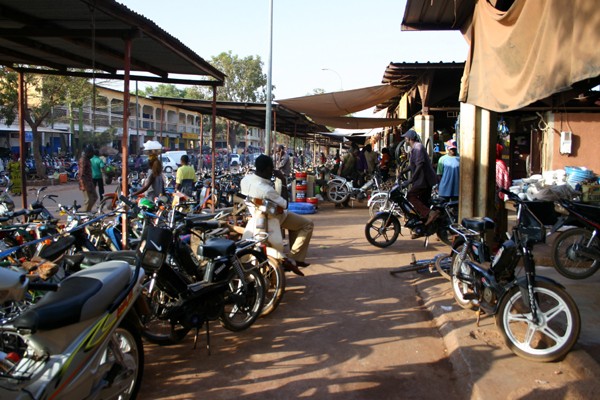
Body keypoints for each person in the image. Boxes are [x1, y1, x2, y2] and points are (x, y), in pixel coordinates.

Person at [241, 154, 314, 276]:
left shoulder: (245, 179)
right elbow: (285, 204)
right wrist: (283, 181)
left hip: (255, 215)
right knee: (307, 224)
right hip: (273, 218)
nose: (272, 172)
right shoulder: (265, 189)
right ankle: (294, 258)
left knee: (296, 224)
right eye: (271, 169)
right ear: (267, 169)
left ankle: (296, 258)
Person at [401, 129, 438, 225]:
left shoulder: (418, 148)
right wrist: (403, 171)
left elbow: (420, 165)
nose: (405, 139)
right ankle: (424, 226)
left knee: (410, 195)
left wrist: (411, 180)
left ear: (409, 138)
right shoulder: (414, 149)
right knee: (423, 201)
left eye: (405, 137)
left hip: (423, 180)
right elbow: (413, 165)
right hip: (422, 180)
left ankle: (430, 213)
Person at [495, 142, 510, 244]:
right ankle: (498, 239)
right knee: (498, 218)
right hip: (498, 196)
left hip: (491, 194)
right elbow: (506, 182)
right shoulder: (500, 164)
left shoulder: (490, 163)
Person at [79, 145, 97, 212]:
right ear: (88, 152)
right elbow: (81, 174)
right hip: (85, 183)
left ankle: (88, 211)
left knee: (94, 197)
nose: (92, 155)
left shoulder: (87, 159)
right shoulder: (83, 160)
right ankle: (85, 213)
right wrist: (84, 185)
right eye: (91, 153)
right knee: (88, 200)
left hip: (89, 182)